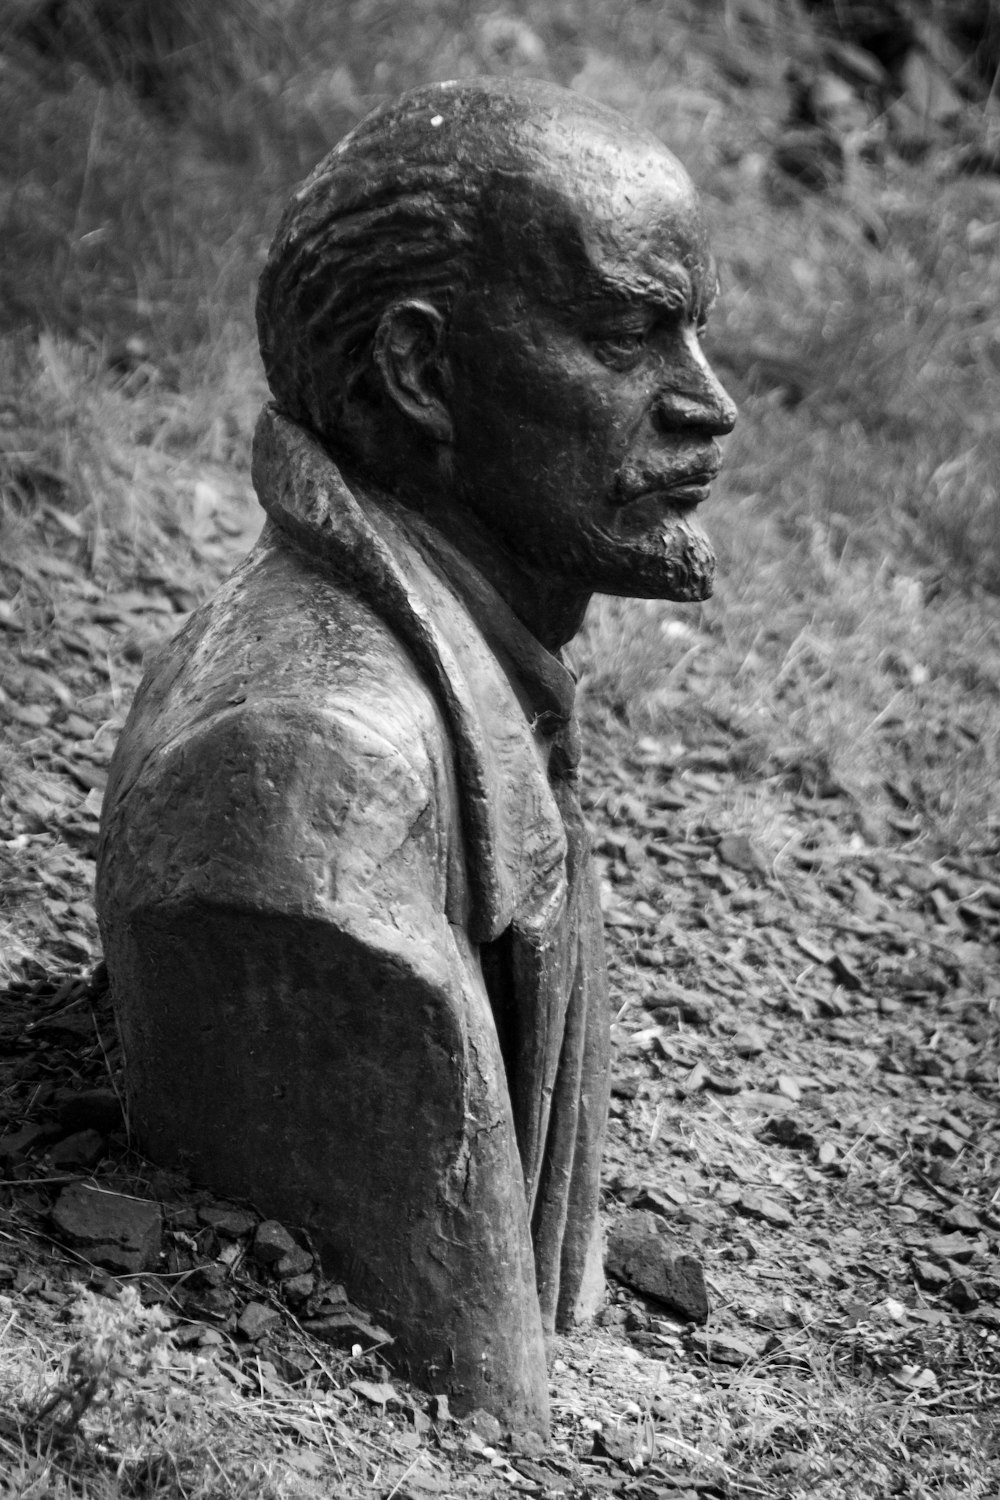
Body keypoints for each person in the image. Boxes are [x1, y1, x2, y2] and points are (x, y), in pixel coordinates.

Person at [96, 76, 736, 1436]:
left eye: (694, 336)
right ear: (421, 372)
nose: (707, 406)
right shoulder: (312, 778)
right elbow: (464, 1399)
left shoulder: (470, 675)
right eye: (629, 336)